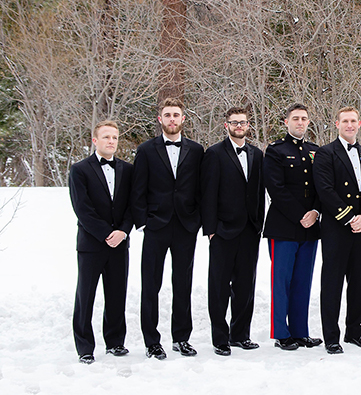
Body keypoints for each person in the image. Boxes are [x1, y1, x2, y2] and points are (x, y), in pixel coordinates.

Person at [131, 97, 204, 359]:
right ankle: (152, 341)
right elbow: (137, 190)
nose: (172, 119)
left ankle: (181, 338)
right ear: (160, 119)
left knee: (183, 284)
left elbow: (201, 189)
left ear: (183, 119)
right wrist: (144, 223)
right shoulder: (146, 150)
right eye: (167, 115)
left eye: (176, 115)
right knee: (151, 285)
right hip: (156, 227)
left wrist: (197, 221)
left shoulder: (196, 151)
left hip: (185, 226)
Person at [200, 106, 265, 356]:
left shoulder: (257, 154)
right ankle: (220, 337)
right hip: (223, 231)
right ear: (226, 125)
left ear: (249, 125)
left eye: (243, 122)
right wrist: (211, 229)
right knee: (219, 286)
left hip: (249, 230)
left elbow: (259, 192)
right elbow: (208, 193)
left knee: (245, 285)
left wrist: (258, 223)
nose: (239, 126)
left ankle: (240, 334)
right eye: (234, 122)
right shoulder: (215, 154)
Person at [313, 107, 361, 354]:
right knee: (332, 282)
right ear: (337, 123)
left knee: (358, 280)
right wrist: (350, 217)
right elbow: (325, 190)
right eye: (345, 121)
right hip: (336, 227)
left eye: (353, 121)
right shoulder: (325, 153)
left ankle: (354, 330)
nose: (349, 125)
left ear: (359, 123)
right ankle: (331, 335)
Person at [68, 120, 134, 364]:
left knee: (117, 294)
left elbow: (132, 206)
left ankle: (115, 342)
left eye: (115, 137)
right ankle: (85, 346)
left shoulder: (128, 170)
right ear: (95, 140)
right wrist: (107, 234)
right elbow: (82, 209)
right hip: (91, 244)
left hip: (120, 243)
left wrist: (123, 231)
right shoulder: (80, 170)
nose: (111, 141)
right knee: (85, 296)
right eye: (106, 137)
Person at [262, 103, 322, 351]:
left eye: (304, 118)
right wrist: (301, 215)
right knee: (282, 281)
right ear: (286, 122)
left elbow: (323, 186)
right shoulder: (275, 151)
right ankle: (281, 332)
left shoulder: (316, 151)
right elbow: (276, 189)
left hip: (311, 227)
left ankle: (300, 331)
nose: (300, 122)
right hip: (284, 226)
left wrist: (316, 211)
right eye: (295, 118)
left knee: (302, 282)